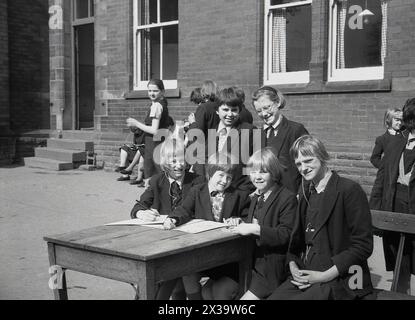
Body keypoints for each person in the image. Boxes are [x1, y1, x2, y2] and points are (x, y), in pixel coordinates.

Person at [268, 135, 373, 300]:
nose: (303, 168)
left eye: (308, 160)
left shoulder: (349, 190)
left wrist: (323, 276)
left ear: (322, 157)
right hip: (307, 274)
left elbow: (363, 246)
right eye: (298, 164)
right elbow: (296, 241)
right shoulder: (305, 193)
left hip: (342, 278)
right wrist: (294, 267)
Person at [163, 152, 251, 300]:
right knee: (186, 270)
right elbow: (184, 210)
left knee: (217, 293)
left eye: (229, 177)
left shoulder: (238, 196)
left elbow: (247, 215)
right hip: (203, 253)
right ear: (210, 173)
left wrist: (239, 220)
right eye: (221, 175)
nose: (224, 181)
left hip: (227, 258)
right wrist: (173, 219)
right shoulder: (197, 191)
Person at [130, 137, 204, 299]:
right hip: (163, 242)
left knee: (184, 272)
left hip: (190, 241)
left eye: (182, 160)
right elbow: (138, 206)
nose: (179, 165)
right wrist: (142, 213)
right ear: (164, 162)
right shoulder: (157, 181)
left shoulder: (197, 181)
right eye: (173, 161)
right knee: (164, 274)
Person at [227, 148, 297, 300]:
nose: (257, 177)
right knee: (212, 291)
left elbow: (286, 234)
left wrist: (254, 228)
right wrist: (241, 222)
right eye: (253, 172)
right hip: (251, 265)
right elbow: (258, 221)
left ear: (274, 173)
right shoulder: (257, 196)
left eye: (263, 172)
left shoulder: (287, 198)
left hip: (271, 269)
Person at [370, 98, 415, 295]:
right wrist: (376, 206)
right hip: (395, 201)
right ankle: (400, 288)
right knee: (398, 249)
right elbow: (384, 177)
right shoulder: (396, 140)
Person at [252, 86, 308, 193]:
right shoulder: (257, 134)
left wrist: (301, 194)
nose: (263, 114)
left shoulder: (296, 130)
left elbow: (307, 166)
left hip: (290, 194)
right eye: (259, 111)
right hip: (266, 195)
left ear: (277, 102)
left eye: (267, 107)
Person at [125, 79, 171, 183]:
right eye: (149, 90)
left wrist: (136, 123)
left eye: (155, 91)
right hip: (158, 143)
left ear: (162, 91)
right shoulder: (162, 104)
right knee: (160, 175)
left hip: (153, 144)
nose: (152, 93)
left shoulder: (156, 106)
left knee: (153, 177)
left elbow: (154, 130)